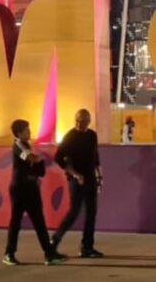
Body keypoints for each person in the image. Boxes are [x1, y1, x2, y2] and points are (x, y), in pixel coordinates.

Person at [3, 119, 66, 266]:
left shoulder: (26, 145)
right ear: (19, 133)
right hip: (20, 190)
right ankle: (9, 253)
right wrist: (39, 160)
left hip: (30, 189)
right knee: (16, 222)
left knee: (39, 221)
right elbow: (30, 158)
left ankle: (49, 254)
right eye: (27, 129)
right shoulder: (18, 145)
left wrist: (37, 164)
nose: (30, 132)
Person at [52, 109, 104, 258]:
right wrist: (74, 174)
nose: (80, 124)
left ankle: (87, 247)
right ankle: (54, 241)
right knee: (73, 212)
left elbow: (95, 158)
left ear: (89, 121)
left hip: (90, 178)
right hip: (76, 179)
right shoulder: (70, 136)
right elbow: (58, 157)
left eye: (83, 121)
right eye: (77, 120)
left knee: (91, 213)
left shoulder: (92, 135)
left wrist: (100, 176)